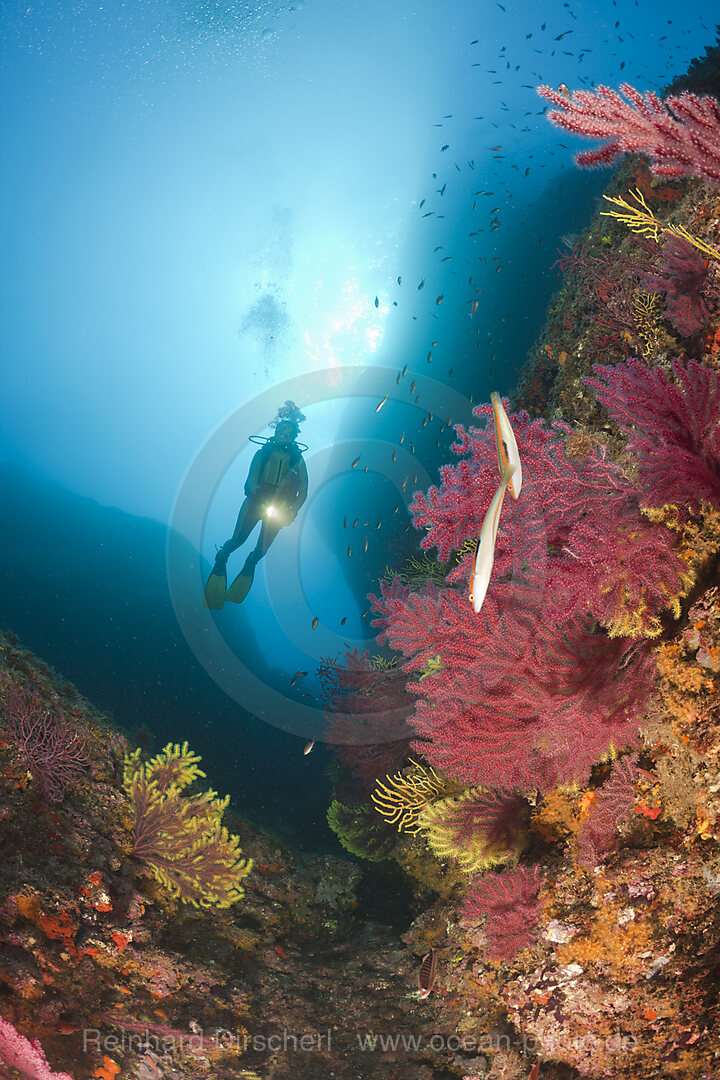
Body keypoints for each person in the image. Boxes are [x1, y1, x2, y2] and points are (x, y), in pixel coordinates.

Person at [204, 410, 308, 609]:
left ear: (294, 437)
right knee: (238, 540)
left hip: (280, 509)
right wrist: (256, 492)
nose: (284, 434)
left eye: (288, 432)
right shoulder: (263, 453)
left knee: (261, 549)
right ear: (276, 431)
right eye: (281, 430)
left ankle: (250, 563)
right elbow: (250, 479)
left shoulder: (298, 461)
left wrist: (292, 511)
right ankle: (222, 556)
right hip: (255, 503)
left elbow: (303, 490)